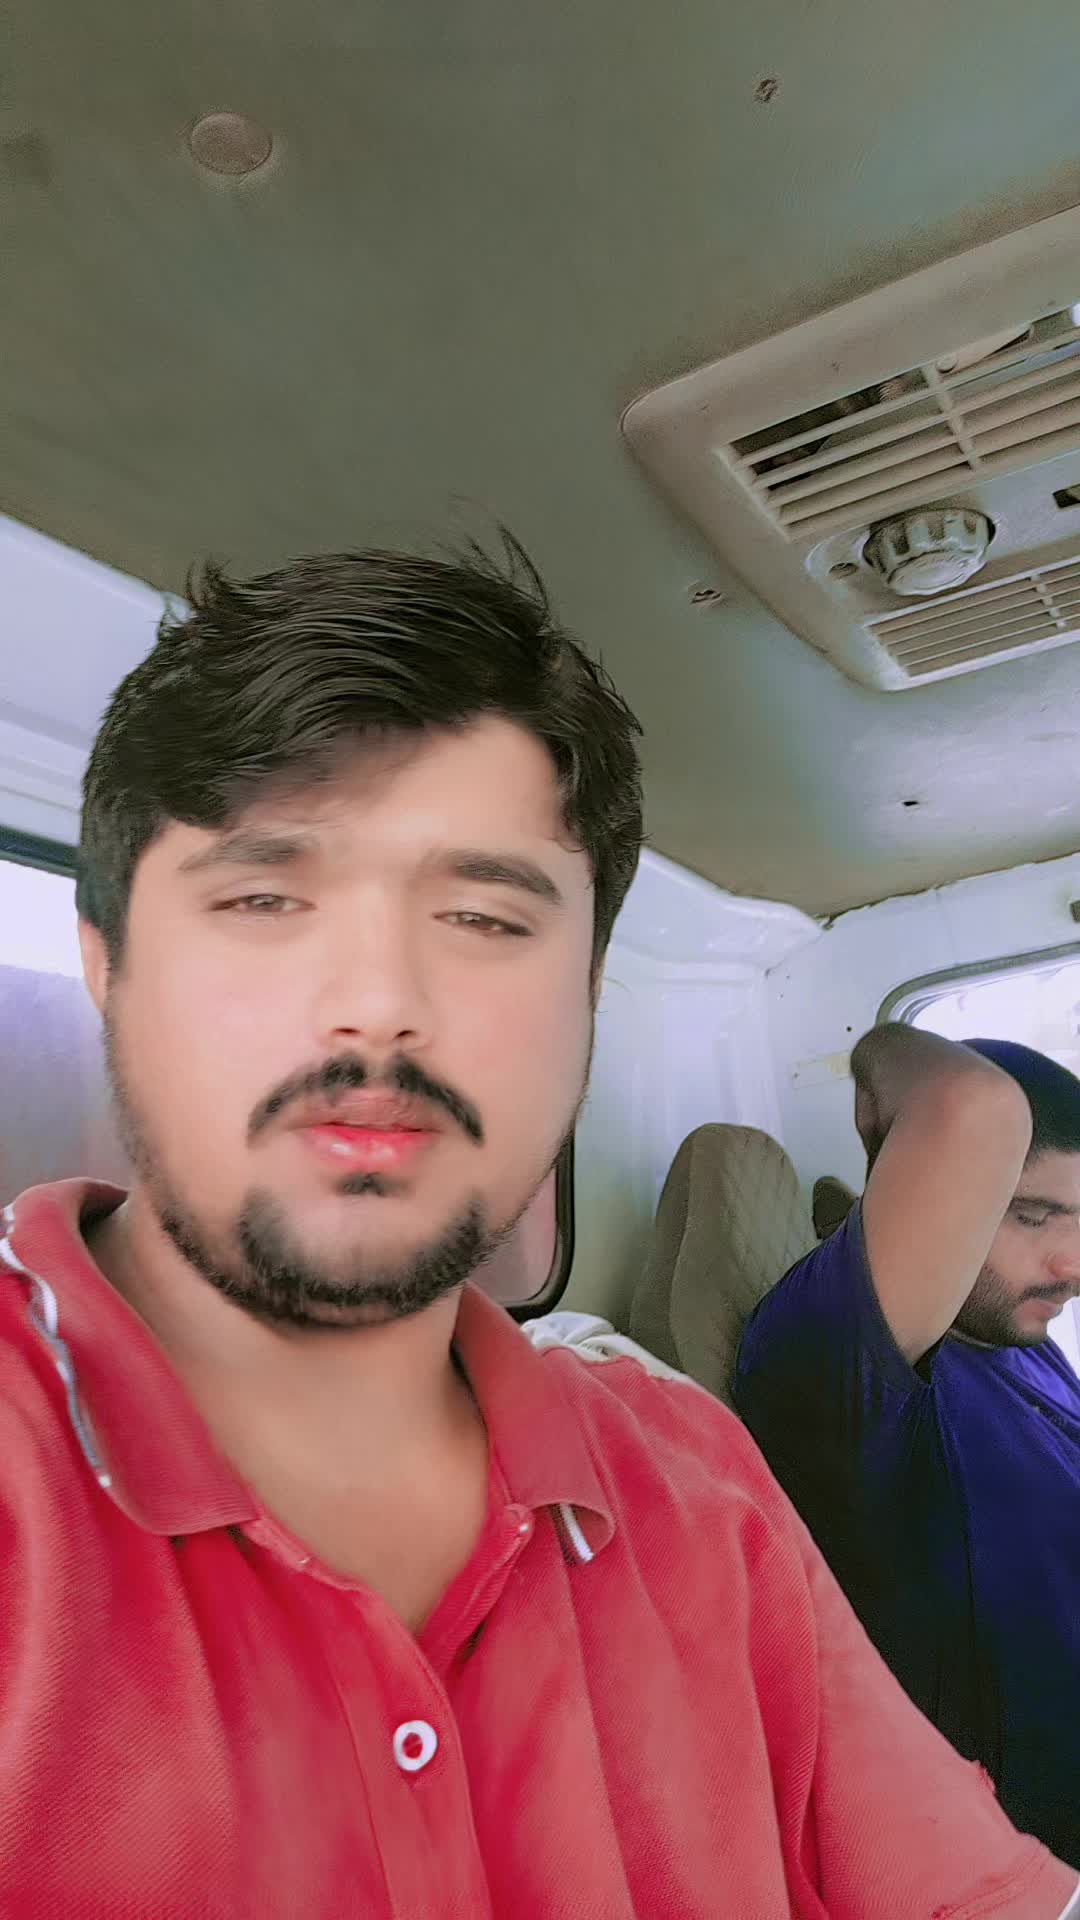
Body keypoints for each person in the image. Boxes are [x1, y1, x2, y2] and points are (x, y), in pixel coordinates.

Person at [0, 541, 1075, 1920]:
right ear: (107, 965)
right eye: (264, 900)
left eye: (483, 917)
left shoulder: (691, 1474)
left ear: (588, 994)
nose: (379, 1004)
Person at [735, 1022, 1080, 1870]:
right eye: (1031, 1216)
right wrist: (878, 1054)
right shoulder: (836, 1360)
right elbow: (968, 1106)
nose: (1072, 1263)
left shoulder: (1020, 1341)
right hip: (1026, 1851)